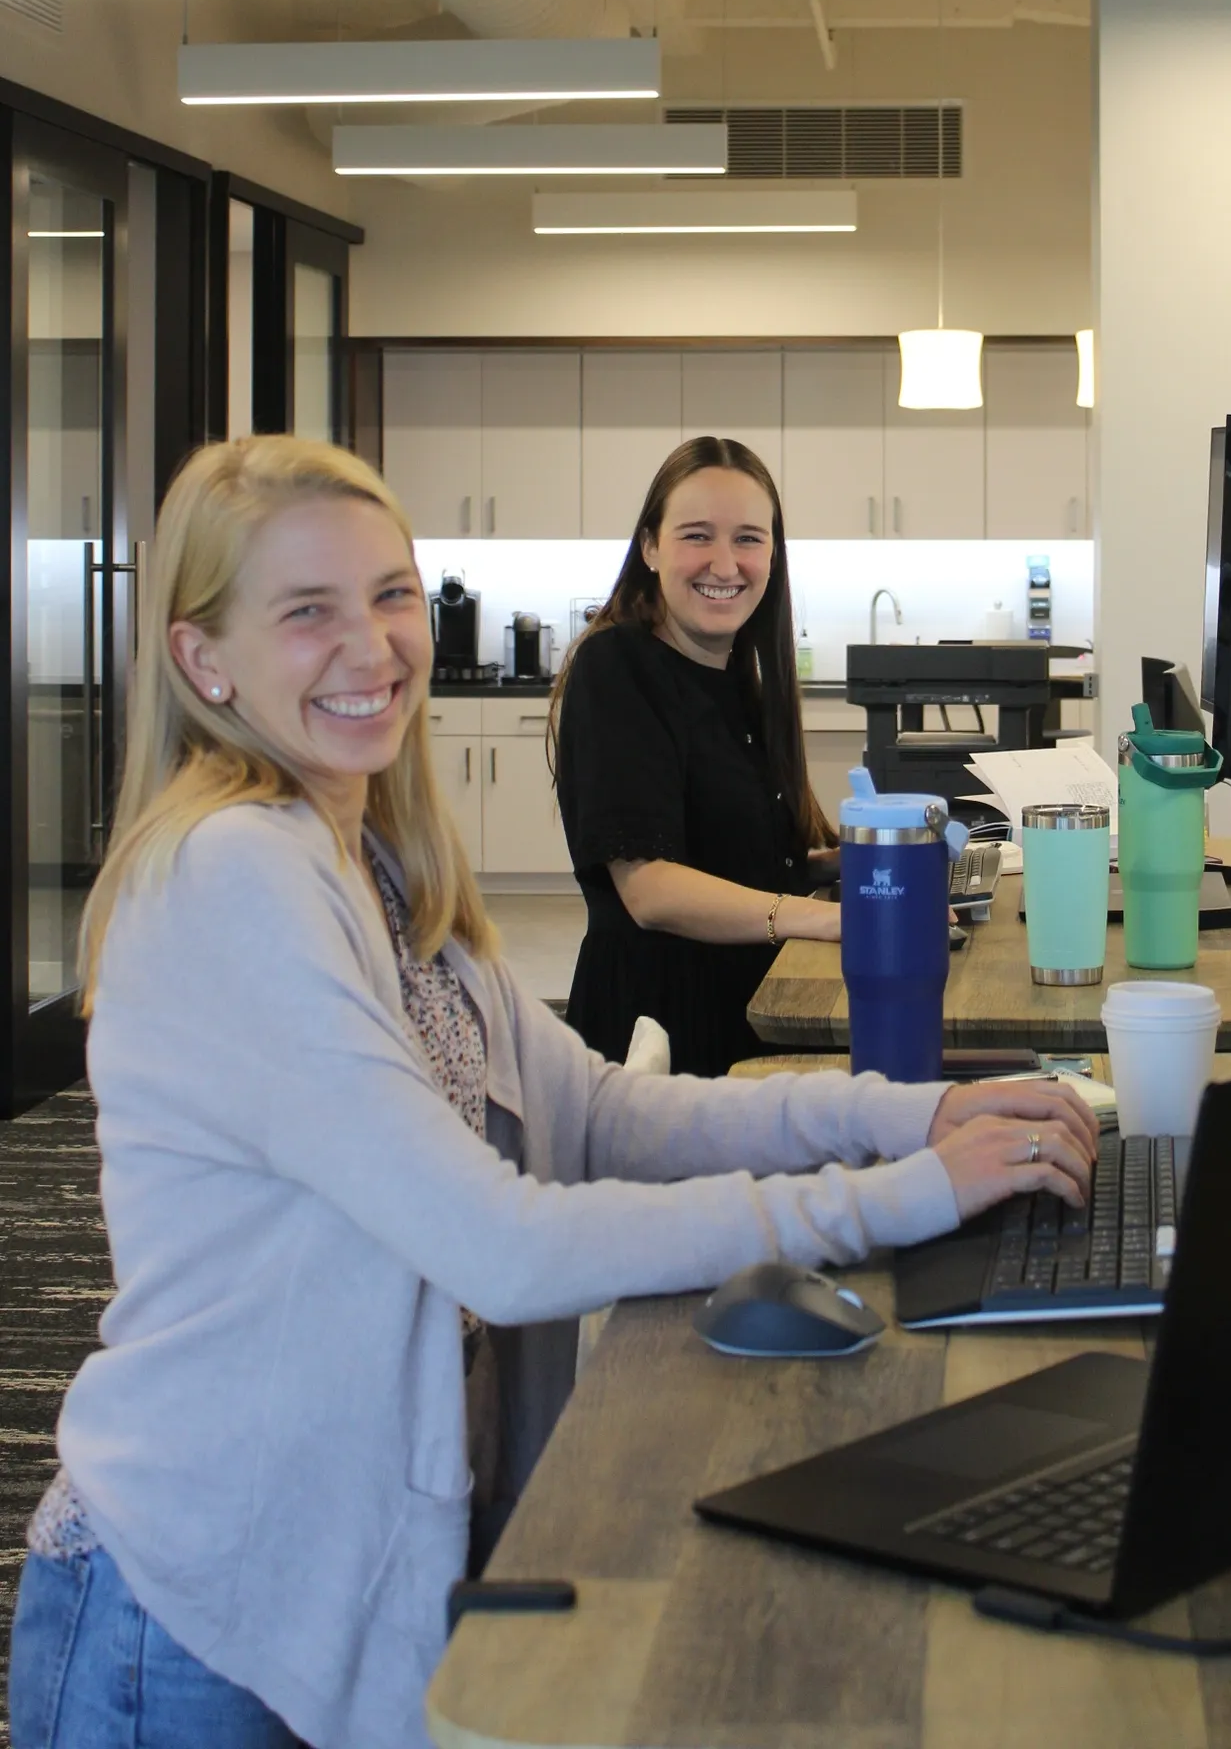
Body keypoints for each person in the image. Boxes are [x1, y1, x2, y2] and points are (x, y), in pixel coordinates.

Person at [6, 435, 1093, 1749]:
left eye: (392, 594)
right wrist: (901, 1198)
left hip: (337, 1583)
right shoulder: (233, 874)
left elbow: (607, 1117)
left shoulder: (382, 861)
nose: (375, 645)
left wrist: (902, 1116)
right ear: (203, 659)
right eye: (307, 612)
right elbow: (502, 1246)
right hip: (199, 1609)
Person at [554, 434, 842, 1078]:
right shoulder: (616, 668)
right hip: (659, 1034)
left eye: (747, 538)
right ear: (650, 546)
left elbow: (739, 855)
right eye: (696, 535)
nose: (725, 563)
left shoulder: (739, 676)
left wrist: (867, 860)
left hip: (751, 1010)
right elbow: (651, 888)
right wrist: (824, 921)